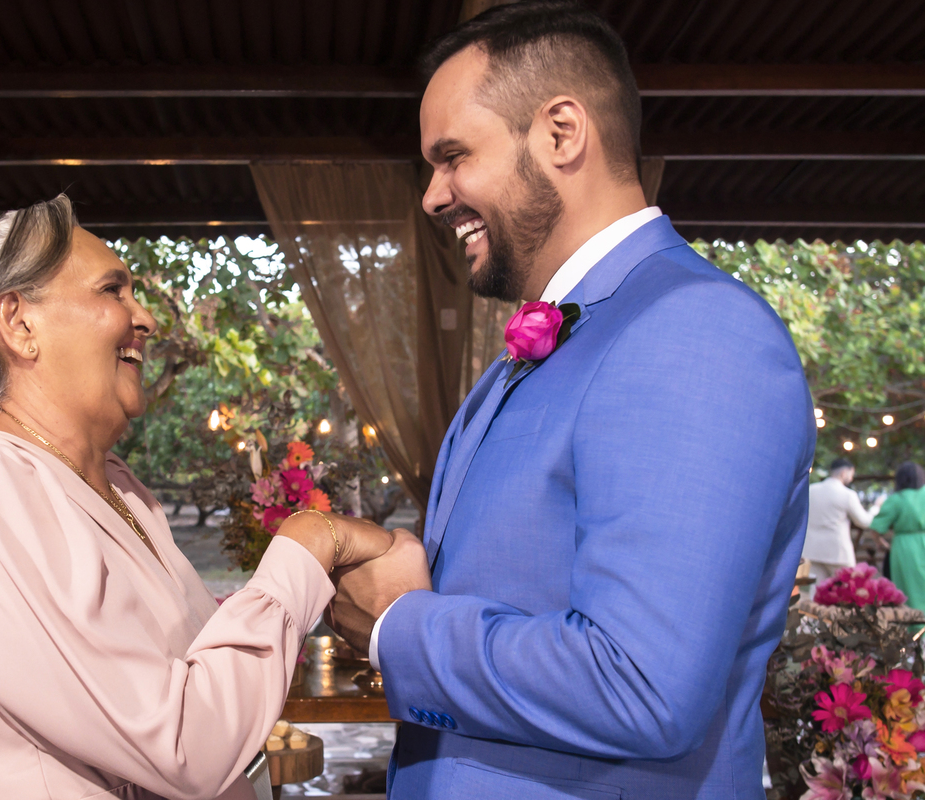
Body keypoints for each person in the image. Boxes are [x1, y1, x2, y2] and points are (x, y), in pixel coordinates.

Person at [325, 3, 814, 798]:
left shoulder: (695, 330)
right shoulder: (543, 346)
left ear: (561, 133)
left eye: (452, 157)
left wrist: (401, 626)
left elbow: (643, 686)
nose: (432, 196)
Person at [0, 195, 408, 800]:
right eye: (112, 291)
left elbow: (199, 685)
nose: (145, 319)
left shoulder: (119, 486)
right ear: (19, 323)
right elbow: (186, 744)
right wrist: (311, 540)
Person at [802, 457, 880, 584]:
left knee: (817, 590)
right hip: (838, 552)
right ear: (844, 473)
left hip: (812, 549)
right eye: (851, 474)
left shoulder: (811, 490)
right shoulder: (847, 494)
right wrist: (875, 508)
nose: (851, 478)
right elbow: (864, 522)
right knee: (846, 589)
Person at [871, 462, 925, 613]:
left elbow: (876, 529)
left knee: (909, 588)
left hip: (905, 548)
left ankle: (915, 629)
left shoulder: (897, 499)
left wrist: (883, 545)